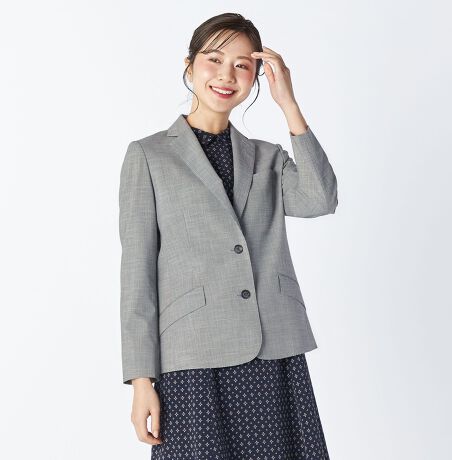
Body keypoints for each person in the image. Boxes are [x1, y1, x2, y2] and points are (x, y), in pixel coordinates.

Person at [119, 12, 338, 459]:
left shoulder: (267, 157)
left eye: (242, 65)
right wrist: (141, 380)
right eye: (214, 59)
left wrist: (288, 104)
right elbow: (137, 275)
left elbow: (320, 198)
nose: (226, 75)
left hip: (273, 350)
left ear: (257, 76)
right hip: (193, 358)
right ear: (189, 65)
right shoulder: (149, 156)